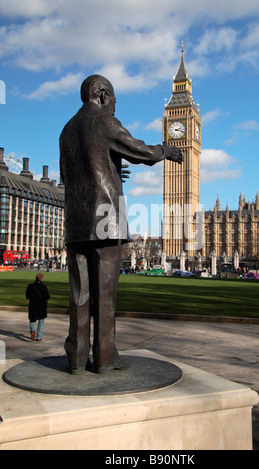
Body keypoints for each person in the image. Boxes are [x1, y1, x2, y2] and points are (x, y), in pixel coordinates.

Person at [59, 74, 183, 374]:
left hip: (76, 223)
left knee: (79, 294)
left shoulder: (66, 130)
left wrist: (113, 170)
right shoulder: (104, 120)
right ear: (102, 95)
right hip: (105, 221)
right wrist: (165, 150)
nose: (114, 107)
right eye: (113, 101)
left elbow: (71, 174)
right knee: (104, 295)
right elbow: (139, 150)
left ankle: (76, 359)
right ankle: (105, 357)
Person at [26, 273, 50, 342]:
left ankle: (33, 331)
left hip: (33, 305)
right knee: (41, 321)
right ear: (42, 279)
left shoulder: (30, 286)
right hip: (41, 306)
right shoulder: (44, 287)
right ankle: (39, 336)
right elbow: (47, 297)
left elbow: (27, 296)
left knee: (32, 320)